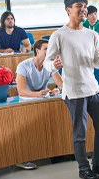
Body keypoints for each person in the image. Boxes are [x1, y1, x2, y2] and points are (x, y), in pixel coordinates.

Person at [44, 0, 99, 179]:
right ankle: (83, 168)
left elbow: (97, 62)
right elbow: (47, 63)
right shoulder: (59, 35)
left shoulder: (92, 34)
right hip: (74, 92)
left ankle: (98, 163)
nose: (83, 9)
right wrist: (55, 65)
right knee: (80, 132)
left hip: (93, 89)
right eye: (79, 6)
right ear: (68, 10)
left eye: (85, 6)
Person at [15, 39, 64, 170]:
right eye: (46, 49)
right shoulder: (23, 65)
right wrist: (39, 94)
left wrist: (56, 90)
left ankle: (57, 153)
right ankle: (23, 158)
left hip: (42, 100)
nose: (49, 51)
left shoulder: (50, 65)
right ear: (37, 51)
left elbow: (61, 84)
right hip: (26, 102)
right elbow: (21, 91)